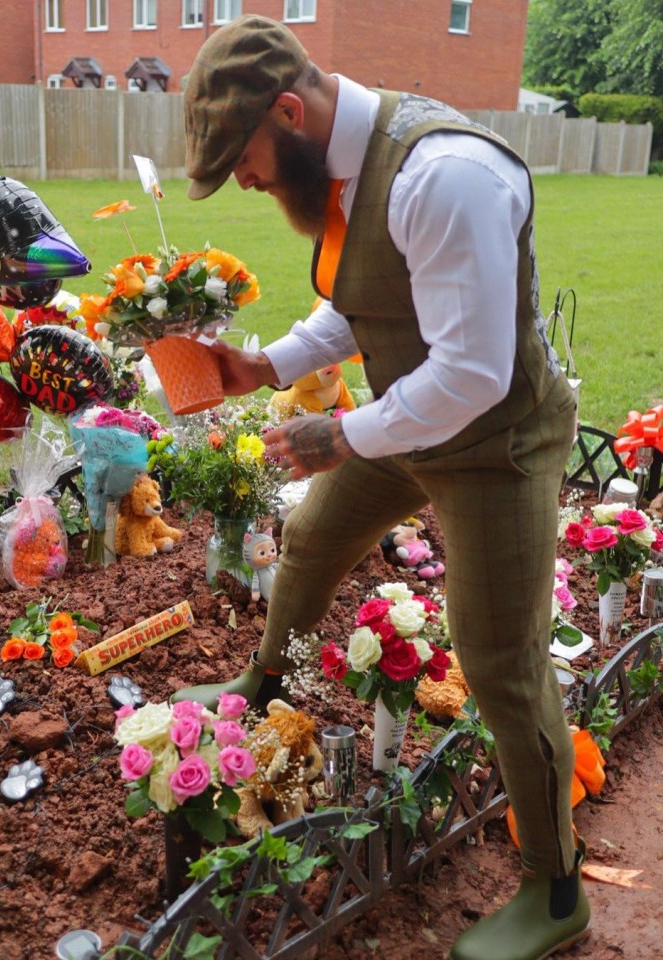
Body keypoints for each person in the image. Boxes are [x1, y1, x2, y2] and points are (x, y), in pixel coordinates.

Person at [174, 14, 588, 960]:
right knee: (314, 540)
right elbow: (359, 302)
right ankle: (263, 678)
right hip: (412, 422)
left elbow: (476, 374)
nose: (245, 179)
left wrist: (340, 433)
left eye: (246, 158)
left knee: (499, 662)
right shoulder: (352, 172)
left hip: (497, 446)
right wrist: (260, 367)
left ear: (290, 109)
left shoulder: (446, 177)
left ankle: (557, 886)